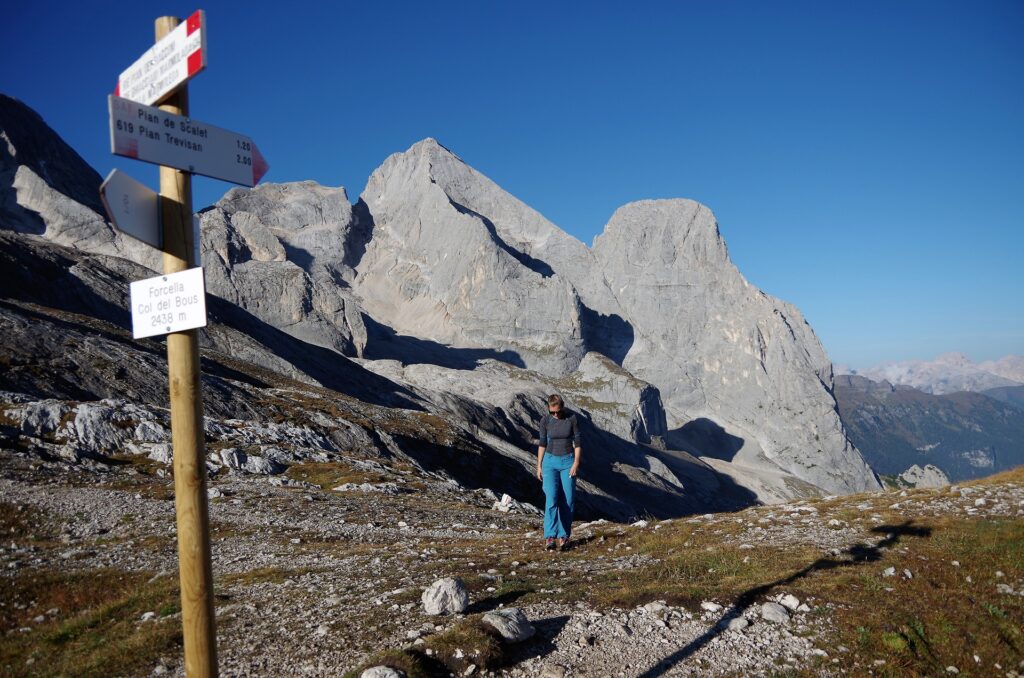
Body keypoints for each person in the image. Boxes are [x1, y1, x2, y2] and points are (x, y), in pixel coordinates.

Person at [536, 394, 581, 551]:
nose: (555, 415)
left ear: (562, 407)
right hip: (549, 462)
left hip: (568, 461)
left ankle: (564, 536)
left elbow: (578, 442)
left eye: (558, 411)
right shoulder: (545, 421)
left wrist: (576, 462)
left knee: (568, 500)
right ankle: (550, 536)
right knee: (552, 498)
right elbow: (542, 443)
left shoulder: (572, 419)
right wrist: (539, 465)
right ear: (549, 409)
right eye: (552, 412)